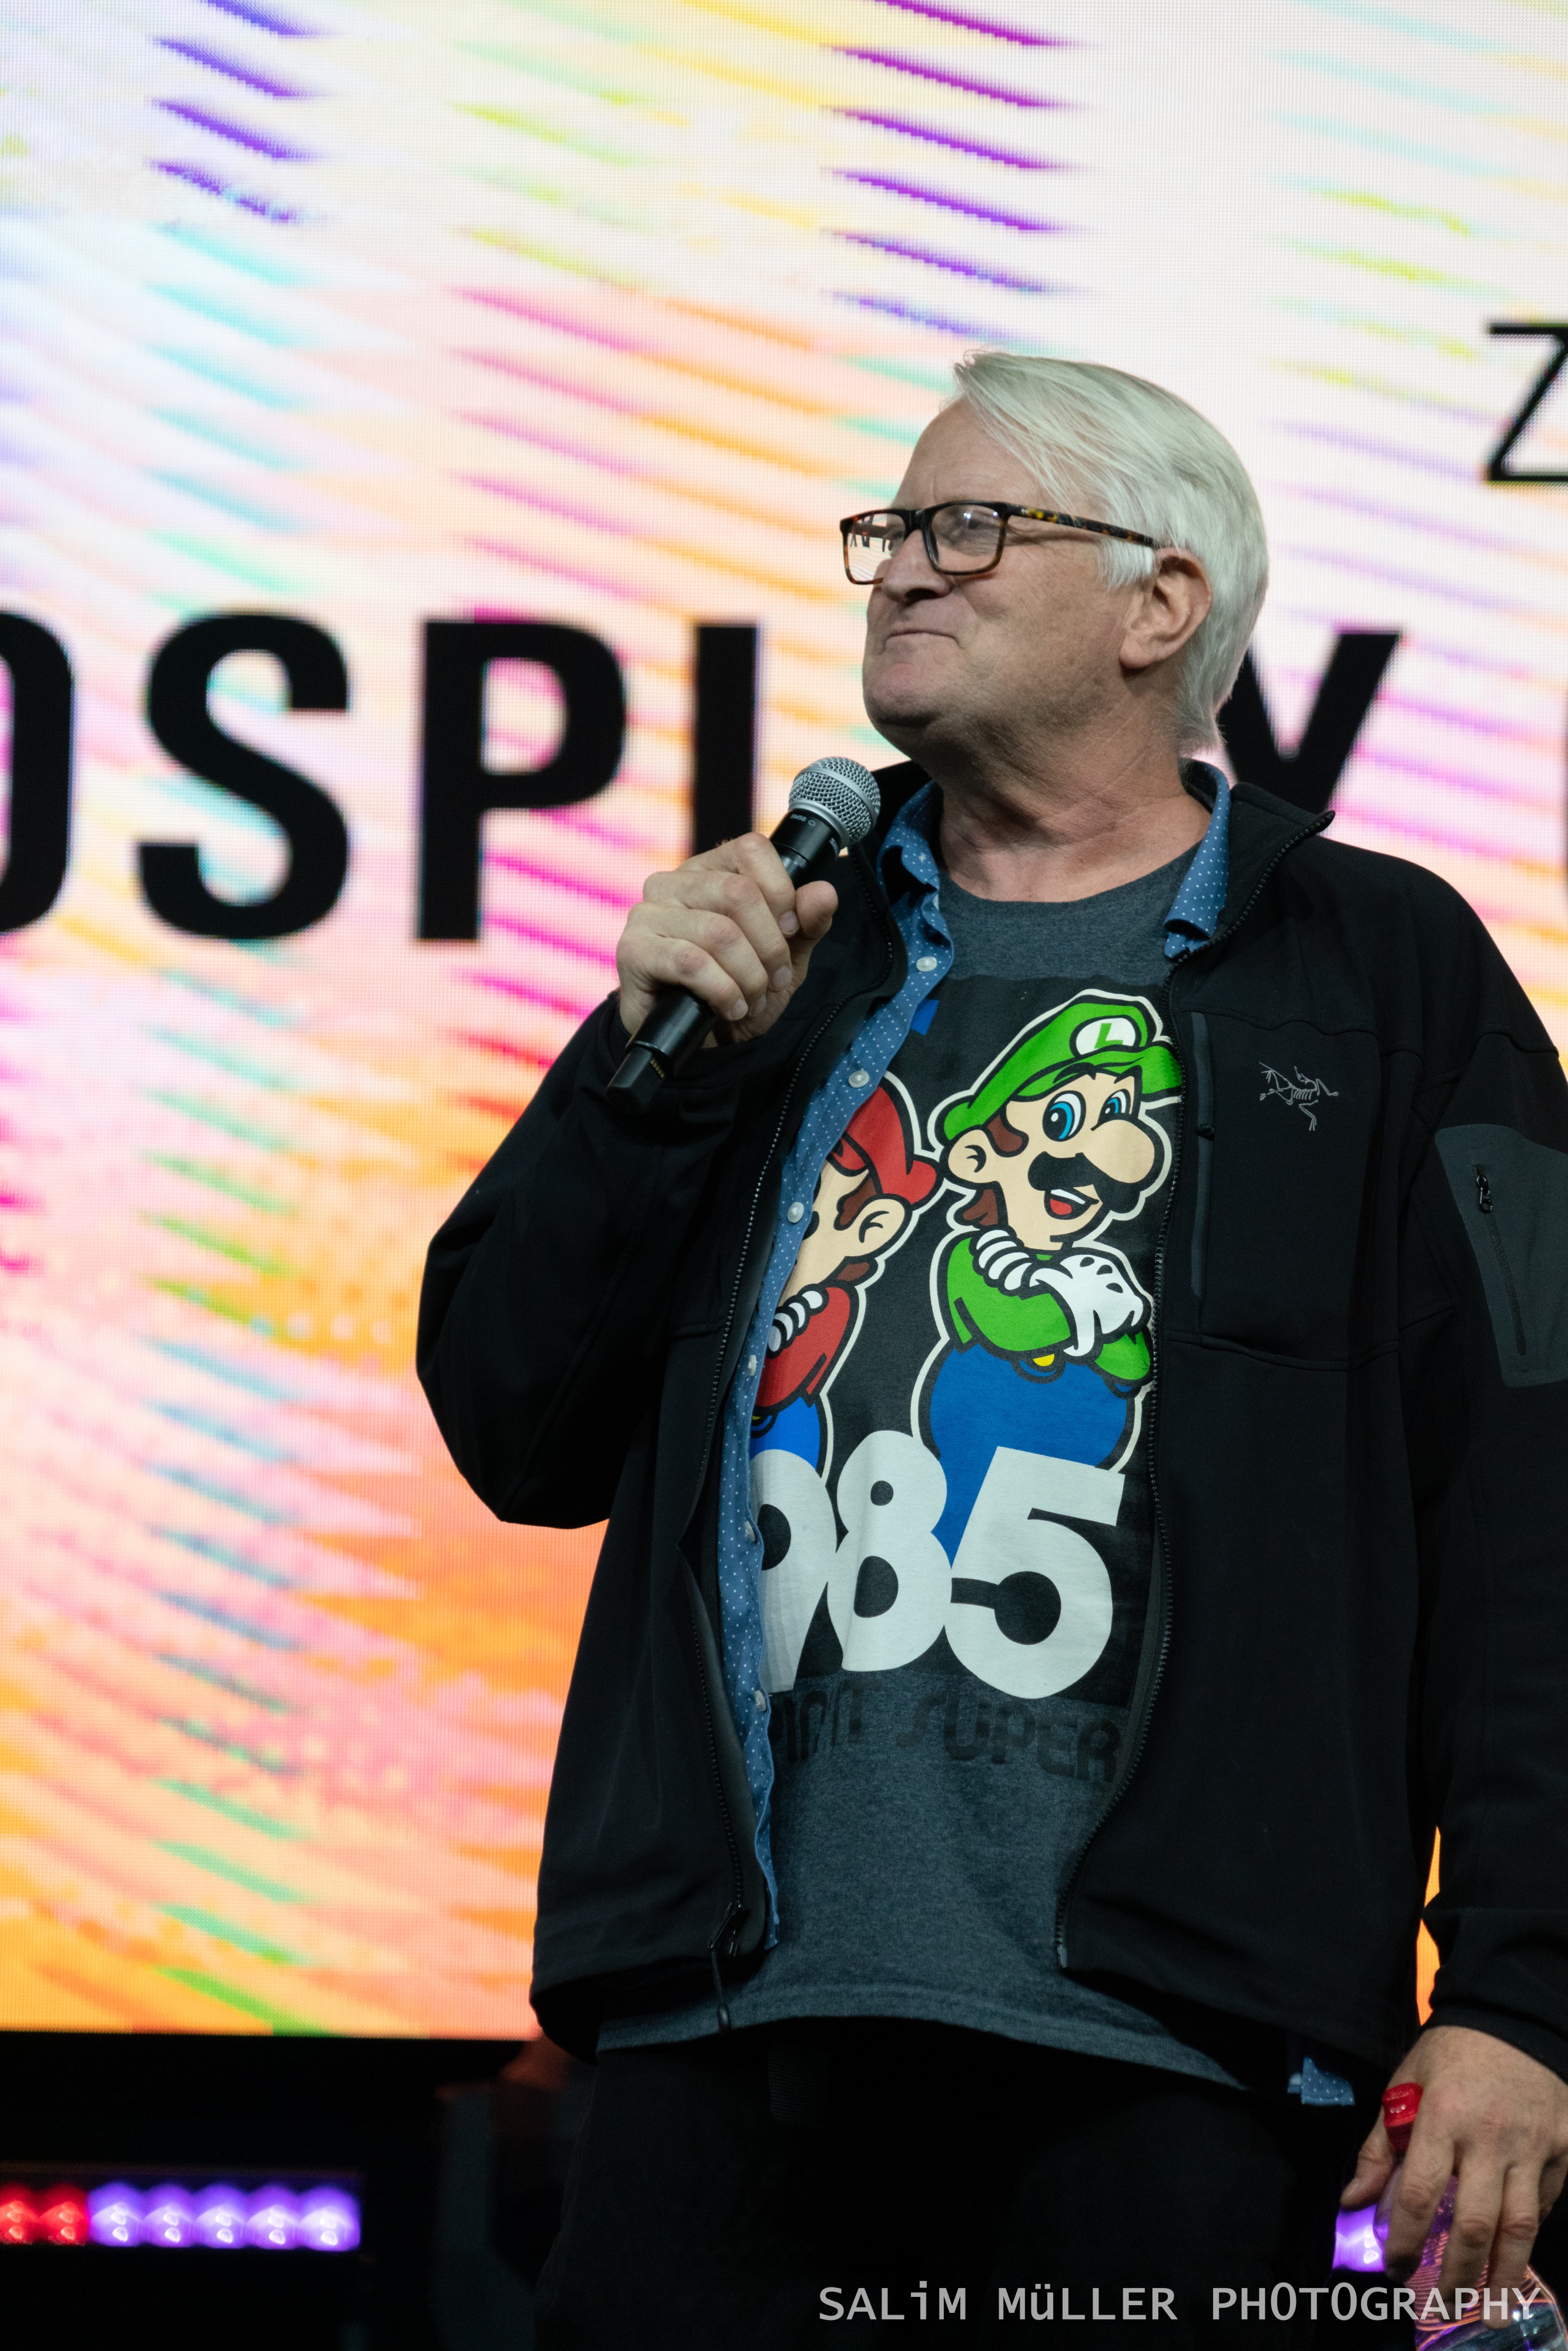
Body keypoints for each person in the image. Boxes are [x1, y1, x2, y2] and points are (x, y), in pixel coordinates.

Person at [418, 354, 1568, 2344]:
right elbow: (514, 1422)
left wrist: (1520, 1999)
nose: (900, 571)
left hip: (1167, 2047)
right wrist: (646, 1078)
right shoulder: (774, 947)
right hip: (722, 2031)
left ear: (1159, 602)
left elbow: (1535, 1518)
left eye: (968, 527)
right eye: (889, 531)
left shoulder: (1394, 978)